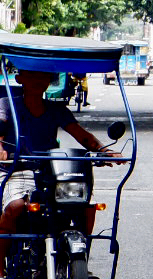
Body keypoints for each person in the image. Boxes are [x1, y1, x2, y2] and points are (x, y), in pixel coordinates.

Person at [0, 70, 115, 235]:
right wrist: (1, 149)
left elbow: (82, 136)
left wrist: (105, 150)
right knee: (15, 207)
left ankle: (82, 245)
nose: (37, 80)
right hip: (15, 169)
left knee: (85, 206)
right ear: (19, 79)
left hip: (51, 172)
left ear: (49, 80)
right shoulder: (6, 104)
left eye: (42, 76)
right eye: (32, 75)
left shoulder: (56, 108)